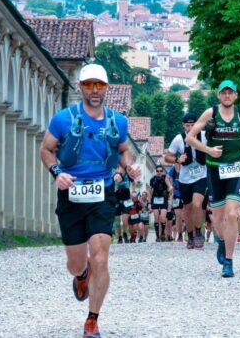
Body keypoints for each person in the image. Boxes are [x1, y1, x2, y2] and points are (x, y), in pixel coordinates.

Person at [40, 63, 140, 338]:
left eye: (100, 85)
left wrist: (128, 166)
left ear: (106, 88)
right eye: (89, 85)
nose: (95, 90)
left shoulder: (117, 121)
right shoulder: (63, 119)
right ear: (80, 87)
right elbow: (47, 150)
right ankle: (80, 276)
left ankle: (92, 320)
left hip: (102, 192)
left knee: (101, 257)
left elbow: (123, 150)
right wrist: (57, 173)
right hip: (71, 192)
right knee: (76, 262)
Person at [186, 80, 240, 278]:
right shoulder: (210, 114)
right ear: (219, 95)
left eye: (231, 93)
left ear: (236, 95)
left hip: (235, 169)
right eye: (224, 93)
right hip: (215, 169)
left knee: (233, 214)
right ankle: (220, 240)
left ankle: (229, 261)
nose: (227, 96)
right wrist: (209, 150)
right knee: (217, 218)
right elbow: (190, 138)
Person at [165, 113, 209, 250]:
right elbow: (167, 157)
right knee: (188, 208)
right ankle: (190, 236)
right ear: (183, 125)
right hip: (185, 179)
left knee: (197, 204)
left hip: (201, 175)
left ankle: (198, 233)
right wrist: (178, 160)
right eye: (187, 125)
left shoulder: (204, 136)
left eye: (192, 125)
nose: (190, 128)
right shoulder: (179, 139)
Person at [148, 165, 173, 242]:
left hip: (163, 199)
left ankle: (162, 234)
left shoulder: (166, 178)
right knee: (156, 218)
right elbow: (150, 191)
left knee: (162, 218)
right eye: (158, 171)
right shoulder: (152, 179)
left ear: (163, 171)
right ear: (156, 171)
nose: (159, 172)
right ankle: (157, 236)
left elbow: (170, 189)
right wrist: (149, 203)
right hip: (155, 199)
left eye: (161, 171)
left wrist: (169, 199)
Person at [113, 171, 133, 244]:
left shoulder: (127, 176)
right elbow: (112, 189)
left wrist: (132, 191)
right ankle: (119, 237)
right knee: (117, 222)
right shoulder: (113, 177)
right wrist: (115, 187)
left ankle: (125, 233)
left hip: (126, 201)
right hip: (117, 202)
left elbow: (134, 182)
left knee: (125, 220)